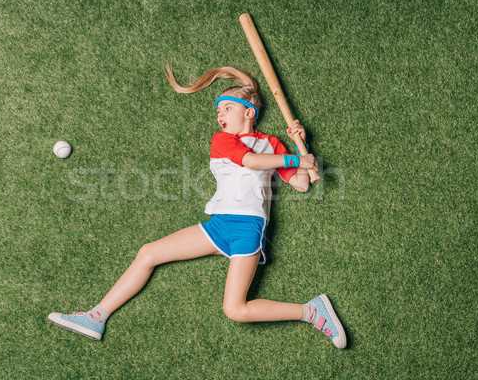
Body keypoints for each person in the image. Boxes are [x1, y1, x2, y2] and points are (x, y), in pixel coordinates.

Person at [48, 66, 347, 349]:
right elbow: (250, 161)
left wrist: (300, 145)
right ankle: (96, 317)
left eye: (226, 108)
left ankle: (311, 311)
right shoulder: (223, 140)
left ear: (249, 112)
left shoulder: (272, 144)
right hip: (218, 225)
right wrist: (296, 159)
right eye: (218, 111)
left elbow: (301, 184)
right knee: (148, 252)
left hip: (247, 228)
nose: (220, 115)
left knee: (235, 309)